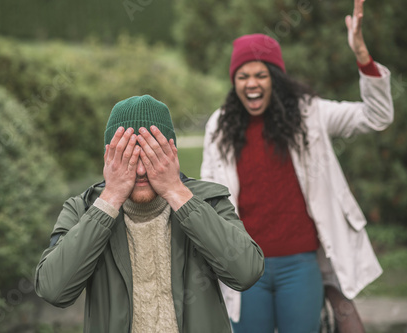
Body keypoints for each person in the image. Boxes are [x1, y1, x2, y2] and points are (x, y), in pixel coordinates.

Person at [200, 0, 394, 332]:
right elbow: (208, 197)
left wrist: (362, 55)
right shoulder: (219, 127)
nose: (251, 83)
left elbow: (376, 117)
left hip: (300, 265)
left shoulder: (310, 114)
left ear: (275, 78)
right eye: (243, 76)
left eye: (261, 74)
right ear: (234, 82)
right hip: (246, 267)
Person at [35, 94, 265, 332]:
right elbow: (53, 290)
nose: (142, 170)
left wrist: (177, 192)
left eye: (151, 155)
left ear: (171, 154)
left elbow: (246, 271)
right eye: (129, 156)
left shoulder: (209, 200)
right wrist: (110, 199)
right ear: (109, 157)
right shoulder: (82, 209)